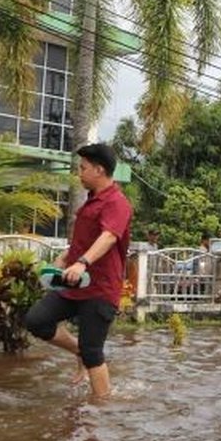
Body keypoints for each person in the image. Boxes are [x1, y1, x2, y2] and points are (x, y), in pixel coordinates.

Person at [25, 142, 133, 399]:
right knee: (36, 320)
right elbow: (84, 240)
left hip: (100, 289)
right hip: (73, 284)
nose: (79, 173)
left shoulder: (117, 202)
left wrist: (82, 262)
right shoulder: (90, 202)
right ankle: (78, 351)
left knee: (93, 351)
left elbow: (108, 237)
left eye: (83, 168)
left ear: (99, 170)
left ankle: (101, 408)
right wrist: (64, 258)